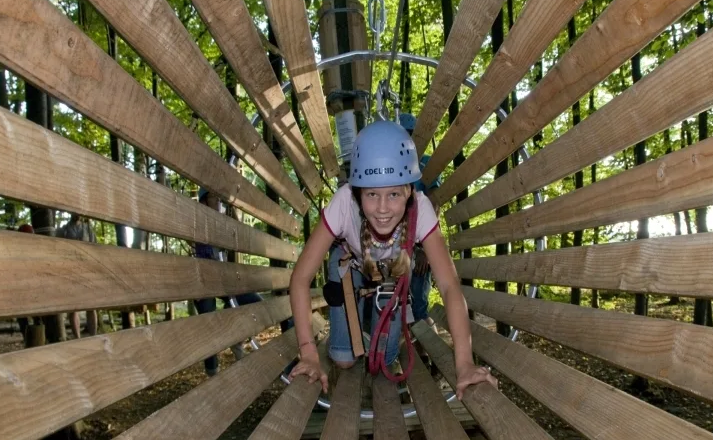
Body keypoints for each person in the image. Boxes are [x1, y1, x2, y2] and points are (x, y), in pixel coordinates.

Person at [287, 120, 497, 399]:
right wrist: (309, 353)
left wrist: (465, 364)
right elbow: (300, 278)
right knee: (343, 359)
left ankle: (371, 334)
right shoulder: (343, 204)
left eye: (394, 194)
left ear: (409, 191)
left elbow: (449, 286)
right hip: (349, 264)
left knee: (384, 361)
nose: (383, 209)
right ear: (358, 192)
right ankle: (353, 335)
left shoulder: (420, 209)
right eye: (372, 194)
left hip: (392, 272)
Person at [194, 188, 293, 376]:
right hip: (205, 281)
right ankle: (212, 374)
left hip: (226, 279)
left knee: (255, 303)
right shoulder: (200, 222)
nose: (219, 203)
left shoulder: (226, 223)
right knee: (208, 324)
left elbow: (236, 241)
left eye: (221, 199)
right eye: (215, 198)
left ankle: (235, 339)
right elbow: (205, 256)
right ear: (205, 202)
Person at [399, 113, 441, 331]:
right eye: (403, 135)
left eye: (410, 135)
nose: (407, 140)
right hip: (400, 246)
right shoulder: (395, 164)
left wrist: (425, 248)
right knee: (400, 304)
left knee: (419, 306)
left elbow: (435, 204)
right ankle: (410, 354)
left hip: (420, 245)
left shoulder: (425, 163)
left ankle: (429, 355)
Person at [55, 213, 98, 338]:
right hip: (71, 271)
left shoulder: (88, 229)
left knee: (91, 306)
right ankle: (77, 337)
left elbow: (95, 247)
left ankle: (94, 335)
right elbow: (59, 251)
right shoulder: (64, 230)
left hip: (87, 270)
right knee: (74, 307)